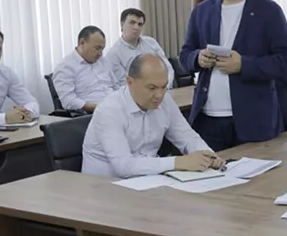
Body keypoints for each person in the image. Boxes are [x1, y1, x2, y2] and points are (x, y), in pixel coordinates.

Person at [179, 0, 287, 152]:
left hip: (253, 119)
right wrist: (198, 58)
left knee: (257, 173)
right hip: (208, 117)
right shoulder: (202, 11)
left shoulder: (268, 11)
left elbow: (286, 61)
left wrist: (244, 65)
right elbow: (185, 55)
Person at [81, 54, 224, 177]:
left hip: (148, 181)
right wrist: (179, 162)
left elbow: (187, 136)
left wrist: (208, 155)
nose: (159, 95)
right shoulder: (109, 110)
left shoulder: (165, 101)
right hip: (104, 187)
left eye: (164, 87)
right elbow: (124, 166)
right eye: (152, 88)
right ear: (130, 82)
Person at [51, 26, 120, 113]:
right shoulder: (65, 67)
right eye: (97, 48)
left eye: (102, 49)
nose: (100, 53)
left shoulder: (103, 61)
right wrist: (101, 107)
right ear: (82, 43)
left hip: (116, 108)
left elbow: (116, 87)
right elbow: (69, 101)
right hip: (93, 114)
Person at [103, 8, 175, 91]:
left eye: (140, 24)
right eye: (132, 23)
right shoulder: (113, 54)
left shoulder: (151, 43)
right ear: (122, 25)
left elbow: (167, 68)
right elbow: (123, 84)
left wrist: (165, 87)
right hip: (135, 96)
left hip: (163, 90)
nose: (136, 27)